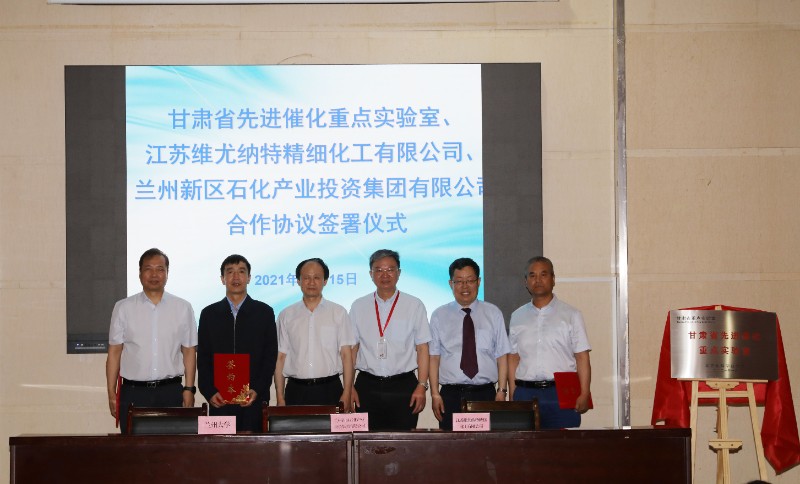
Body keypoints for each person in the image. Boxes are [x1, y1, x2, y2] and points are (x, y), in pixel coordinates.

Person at [106, 248, 198, 434]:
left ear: (167, 273)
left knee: (172, 448)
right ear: (140, 273)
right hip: (133, 392)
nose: (154, 275)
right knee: (133, 449)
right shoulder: (123, 308)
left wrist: (189, 389)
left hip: (171, 392)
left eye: (160, 269)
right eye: (148, 269)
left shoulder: (183, 308)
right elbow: (114, 352)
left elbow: (189, 351)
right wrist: (111, 392)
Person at [349, 249, 431, 430]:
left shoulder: (414, 305)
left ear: (399, 273)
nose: (384, 275)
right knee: (366, 441)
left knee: (402, 441)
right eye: (378, 270)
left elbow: (423, 348)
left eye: (390, 269)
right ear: (370, 274)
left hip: (403, 386)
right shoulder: (358, 306)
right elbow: (352, 348)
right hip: (367, 386)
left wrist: (422, 385)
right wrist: (349, 387)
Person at [508, 256, 592, 429]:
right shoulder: (517, 316)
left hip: (560, 393)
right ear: (526, 281)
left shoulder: (571, 315)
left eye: (543, 274)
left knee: (562, 445)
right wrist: (513, 394)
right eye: (532, 275)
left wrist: (584, 393)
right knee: (525, 445)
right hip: (525, 393)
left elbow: (582, 357)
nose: (538, 280)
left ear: (553, 279)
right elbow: (513, 358)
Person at [197, 254, 278, 432]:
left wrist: (257, 389)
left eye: (241, 271)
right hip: (219, 399)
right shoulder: (209, 314)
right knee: (221, 448)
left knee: (253, 448)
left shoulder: (264, 312)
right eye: (230, 272)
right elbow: (203, 357)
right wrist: (209, 391)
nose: (236, 277)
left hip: (253, 399)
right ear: (222, 278)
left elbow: (270, 356)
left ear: (249, 277)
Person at [429, 258, 511, 430]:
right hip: (451, 396)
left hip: (485, 394)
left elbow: (502, 355)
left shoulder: (493, 313)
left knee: (486, 444)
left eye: (470, 280)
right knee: (452, 444)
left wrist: (502, 391)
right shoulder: (439, 315)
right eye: (459, 281)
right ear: (450, 284)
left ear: (478, 282)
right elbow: (434, 357)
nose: (464, 286)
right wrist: (435, 394)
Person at [274, 258, 355, 411]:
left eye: (317, 277)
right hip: (296, 391)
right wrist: (280, 397)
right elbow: (280, 358)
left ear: (325, 281)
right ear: (298, 281)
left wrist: (347, 392)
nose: (311, 282)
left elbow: (346, 355)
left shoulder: (338, 313)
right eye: (306, 277)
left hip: (330, 389)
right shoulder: (286, 315)